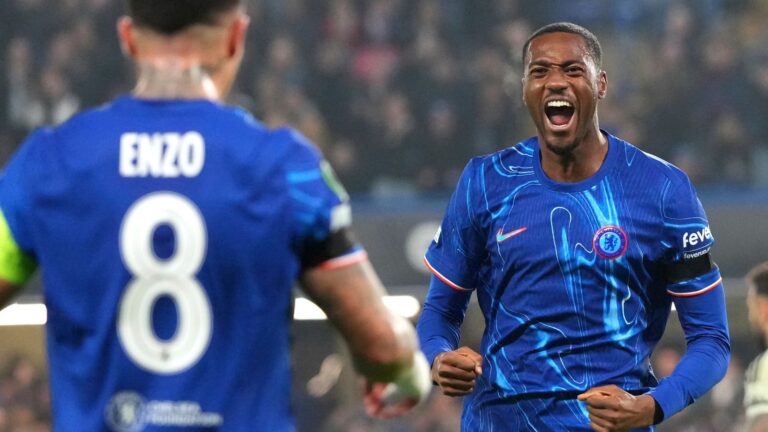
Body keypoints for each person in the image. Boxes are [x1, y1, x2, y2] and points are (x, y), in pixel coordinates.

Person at [0, 1, 431, 430]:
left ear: (128, 38)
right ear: (235, 38)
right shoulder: (282, 168)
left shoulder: (48, 164)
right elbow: (383, 347)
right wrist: (405, 374)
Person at [416, 22, 730, 431]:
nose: (556, 82)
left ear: (601, 84)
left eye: (573, 70)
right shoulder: (483, 182)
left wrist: (652, 406)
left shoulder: (664, 189)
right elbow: (440, 309)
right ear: (525, 88)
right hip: (500, 420)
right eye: (540, 71)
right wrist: (439, 358)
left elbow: (712, 339)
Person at [745, 262, 768, 431]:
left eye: (750, 307)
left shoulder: (763, 366)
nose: (750, 316)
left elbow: (762, 425)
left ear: (762, 308)